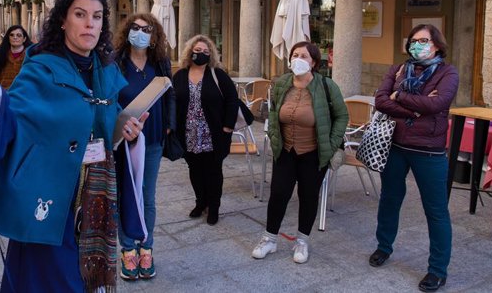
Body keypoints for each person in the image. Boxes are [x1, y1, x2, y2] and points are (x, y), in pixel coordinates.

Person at [0, 0, 147, 292]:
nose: (89, 24)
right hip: (50, 198)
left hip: (96, 201)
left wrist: (129, 132)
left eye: (96, 16)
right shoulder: (40, 67)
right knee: (47, 281)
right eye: (80, 14)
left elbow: (109, 128)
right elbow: (8, 118)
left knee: (86, 281)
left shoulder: (107, 70)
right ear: (63, 21)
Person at [369, 24, 458, 292]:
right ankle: (384, 246)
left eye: (423, 40)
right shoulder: (397, 69)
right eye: (413, 40)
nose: (416, 45)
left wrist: (401, 96)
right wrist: (414, 109)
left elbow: (437, 105)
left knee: (436, 211)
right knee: (389, 200)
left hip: (429, 151)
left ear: (437, 45)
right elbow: (381, 100)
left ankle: (437, 270)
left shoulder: (448, 72)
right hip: (394, 145)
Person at [251, 41, 348, 264]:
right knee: (278, 194)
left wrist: (332, 144)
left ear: (313, 62)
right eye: (295, 55)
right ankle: (269, 239)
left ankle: (302, 241)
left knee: (308, 196)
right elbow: (273, 111)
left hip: (314, 153)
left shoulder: (326, 85)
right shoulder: (282, 83)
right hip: (285, 150)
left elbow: (342, 116)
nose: (298, 59)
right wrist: (274, 136)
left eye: (303, 56)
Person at [112, 13, 175, 281]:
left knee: (147, 196)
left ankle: (146, 248)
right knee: (126, 193)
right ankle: (128, 249)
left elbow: (170, 93)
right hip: (123, 140)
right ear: (127, 32)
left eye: (145, 29)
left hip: (153, 138)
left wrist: (169, 124)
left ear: (153, 35)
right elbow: (108, 98)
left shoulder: (160, 63)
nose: (139, 32)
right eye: (135, 28)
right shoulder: (116, 63)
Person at [172, 35, 238, 226]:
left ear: (211, 55)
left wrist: (227, 126)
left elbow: (232, 100)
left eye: (206, 52)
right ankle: (200, 202)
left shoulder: (218, 75)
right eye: (198, 50)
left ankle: (214, 207)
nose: (201, 54)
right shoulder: (180, 75)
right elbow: (171, 100)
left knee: (213, 171)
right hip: (188, 133)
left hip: (214, 133)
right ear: (190, 51)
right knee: (195, 169)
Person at [0, 25, 32, 90]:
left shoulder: (31, 56)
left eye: (19, 35)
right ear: (8, 38)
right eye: (12, 35)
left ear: (24, 39)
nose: (15, 37)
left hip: (24, 94)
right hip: (3, 93)